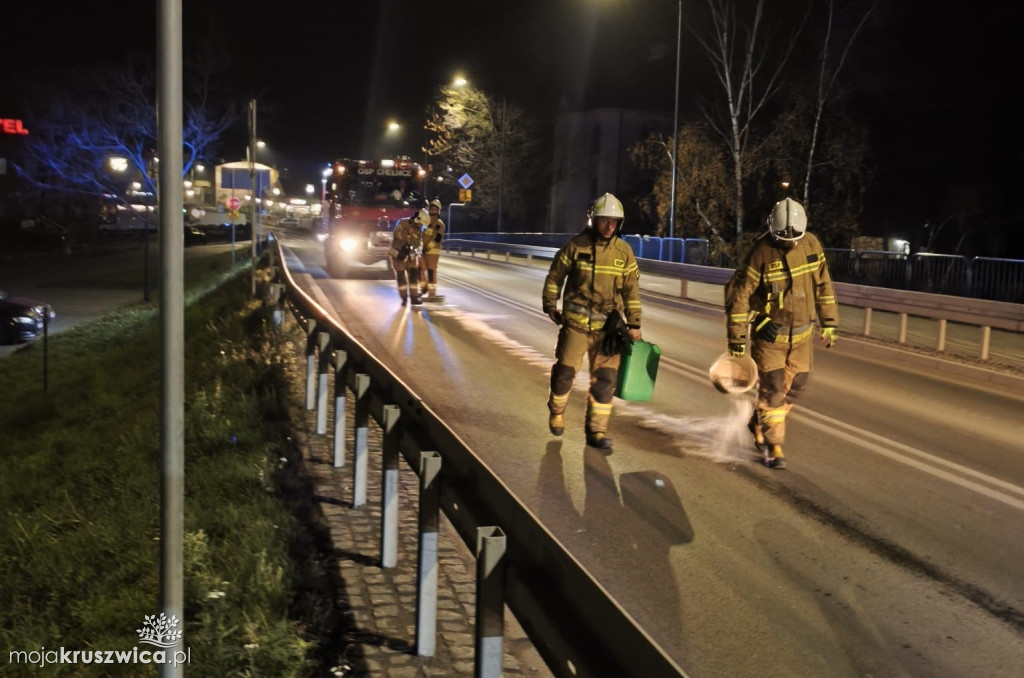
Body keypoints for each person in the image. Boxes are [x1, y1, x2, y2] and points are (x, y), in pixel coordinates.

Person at [724, 197, 839, 469]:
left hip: (801, 339)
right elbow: (738, 296)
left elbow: (823, 285)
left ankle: (758, 421)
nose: (789, 242)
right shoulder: (760, 252)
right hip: (769, 340)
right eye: (783, 238)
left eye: (793, 238)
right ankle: (773, 446)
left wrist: (829, 322)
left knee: (795, 387)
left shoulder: (811, 244)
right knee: (773, 391)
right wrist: (740, 335)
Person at [542, 193, 642, 452]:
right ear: (594, 220)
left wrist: (634, 324)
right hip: (575, 326)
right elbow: (555, 277)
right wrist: (550, 305)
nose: (609, 226)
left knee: (606, 382)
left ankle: (596, 431)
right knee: (564, 375)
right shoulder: (576, 246)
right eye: (604, 220)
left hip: (608, 331)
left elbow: (631, 291)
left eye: (614, 221)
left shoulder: (624, 253)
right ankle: (557, 410)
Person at [389, 210, 427, 306]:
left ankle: (414, 298)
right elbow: (396, 234)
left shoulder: (419, 229)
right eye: (421, 223)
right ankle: (404, 299)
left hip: (411, 256)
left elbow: (417, 243)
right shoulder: (403, 223)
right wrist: (407, 232)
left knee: (413, 277)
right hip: (398, 255)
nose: (422, 225)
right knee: (401, 277)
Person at [419, 199, 445, 297]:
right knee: (419, 269)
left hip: (433, 252)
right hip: (422, 250)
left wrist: (428, 247)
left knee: (431, 271)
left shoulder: (439, 224)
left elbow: (437, 239)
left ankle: (432, 293)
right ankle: (423, 288)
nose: (433, 211)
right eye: (432, 209)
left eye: (435, 209)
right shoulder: (425, 221)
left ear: (438, 211)